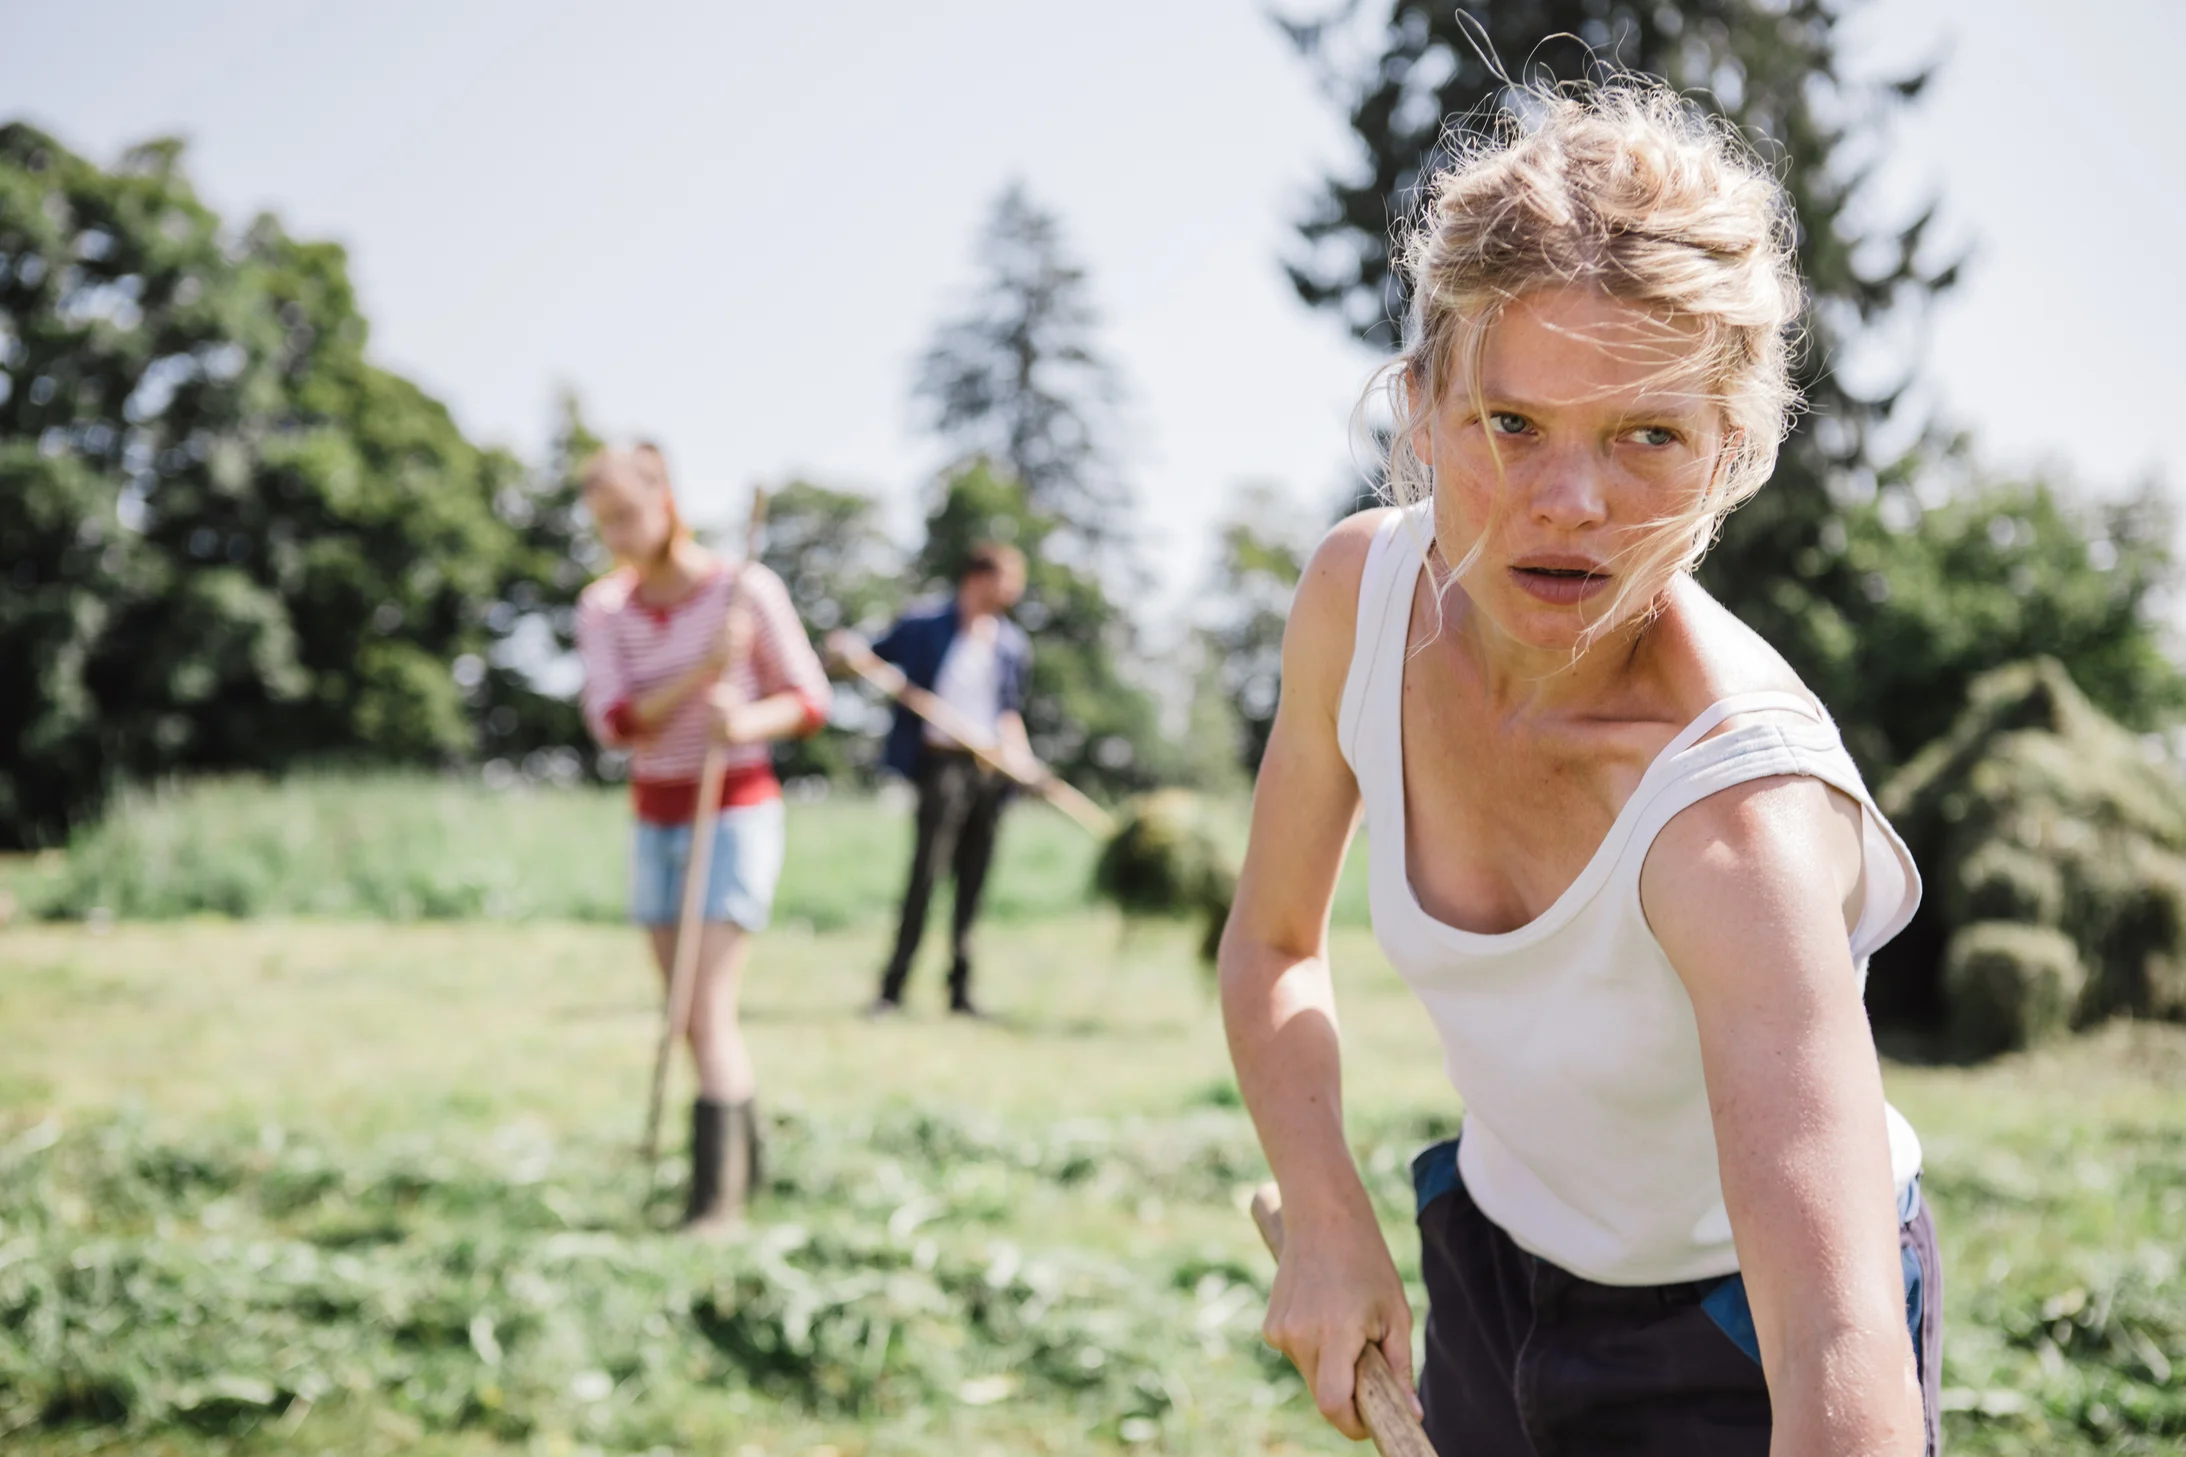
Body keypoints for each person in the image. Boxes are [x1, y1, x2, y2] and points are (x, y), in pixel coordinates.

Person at [1220, 82, 1943, 1457]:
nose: (1569, 504)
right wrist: (1321, 1211)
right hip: (1491, 1266)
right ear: (1423, 409)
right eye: (1510, 425)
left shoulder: (1736, 819)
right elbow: (1268, 942)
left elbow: (1831, 1337)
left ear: (1730, 451)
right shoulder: (1355, 599)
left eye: (1646, 437)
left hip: (1736, 1338)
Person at [574, 443, 830, 1232]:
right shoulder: (604, 609)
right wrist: (698, 676)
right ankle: (745, 1168)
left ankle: (716, 1206)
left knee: (703, 1009)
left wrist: (743, 717)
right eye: (603, 522)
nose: (616, 534)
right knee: (684, 1008)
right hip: (656, 813)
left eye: (626, 515)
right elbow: (614, 722)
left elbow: (808, 698)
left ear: (667, 501)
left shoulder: (745, 588)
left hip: (735, 809)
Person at [846, 543, 1035, 1018]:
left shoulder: (1010, 644)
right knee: (926, 877)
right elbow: (868, 655)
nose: (1014, 591)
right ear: (977, 578)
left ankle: (961, 992)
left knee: (973, 881)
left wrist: (1024, 760)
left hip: (990, 770)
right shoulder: (924, 627)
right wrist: (845, 650)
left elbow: (1008, 710)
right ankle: (892, 990)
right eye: (1007, 580)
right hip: (941, 766)